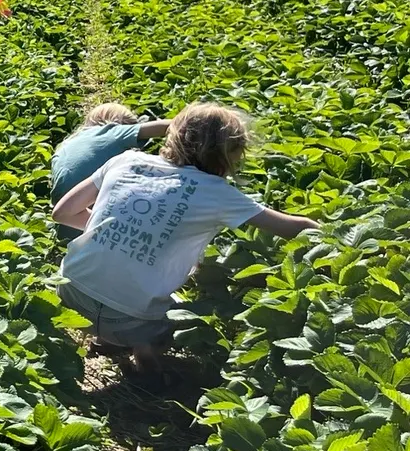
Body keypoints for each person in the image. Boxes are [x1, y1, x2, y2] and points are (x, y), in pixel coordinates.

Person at [52, 103, 319, 375]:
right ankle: (145, 351)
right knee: (193, 315)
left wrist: (112, 229)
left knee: (115, 289)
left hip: (69, 298)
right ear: (229, 154)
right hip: (131, 323)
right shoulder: (217, 192)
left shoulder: (126, 160)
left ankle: (105, 340)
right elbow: (292, 228)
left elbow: (62, 212)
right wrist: (332, 235)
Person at [50, 103, 171, 236]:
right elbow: (166, 127)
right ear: (121, 122)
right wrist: (189, 123)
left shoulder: (64, 148)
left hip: (67, 220)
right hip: (96, 214)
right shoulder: (111, 131)